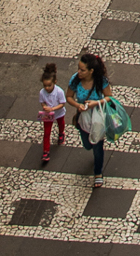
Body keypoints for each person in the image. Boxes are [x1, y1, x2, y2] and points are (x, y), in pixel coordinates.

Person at [71, 50, 110, 187]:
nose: (79, 72)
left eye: (82, 70)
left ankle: (98, 173)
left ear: (91, 71)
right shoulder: (76, 80)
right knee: (87, 145)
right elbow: (68, 97)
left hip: (98, 118)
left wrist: (96, 103)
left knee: (97, 147)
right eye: (79, 69)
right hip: (83, 118)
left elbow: (109, 97)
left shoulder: (101, 81)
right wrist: (78, 105)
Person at [39, 62, 66, 163]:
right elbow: (42, 102)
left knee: (61, 123)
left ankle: (61, 133)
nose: (47, 88)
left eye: (49, 85)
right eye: (45, 85)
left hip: (58, 113)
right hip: (48, 114)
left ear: (55, 82)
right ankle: (46, 151)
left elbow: (62, 103)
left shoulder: (59, 92)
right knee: (46, 132)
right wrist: (44, 107)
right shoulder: (42, 92)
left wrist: (53, 109)